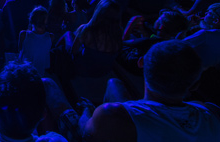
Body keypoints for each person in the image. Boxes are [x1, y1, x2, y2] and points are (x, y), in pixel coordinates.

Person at [83, 40, 220, 142]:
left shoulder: (110, 117)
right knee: (114, 84)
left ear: (141, 63)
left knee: (65, 106)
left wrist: (86, 114)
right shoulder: (213, 113)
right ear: (195, 85)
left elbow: (85, 136)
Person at [183, 3, 220, 70]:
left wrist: (185, 27)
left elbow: (178, 45)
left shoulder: (205, 34)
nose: (205, 13)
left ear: (216, 20)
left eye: (209, 13)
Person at [19, 7, 53, 76]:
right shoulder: (51, 37)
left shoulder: (23, 35)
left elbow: (20, 51)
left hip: (24, 72)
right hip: (41, 74)